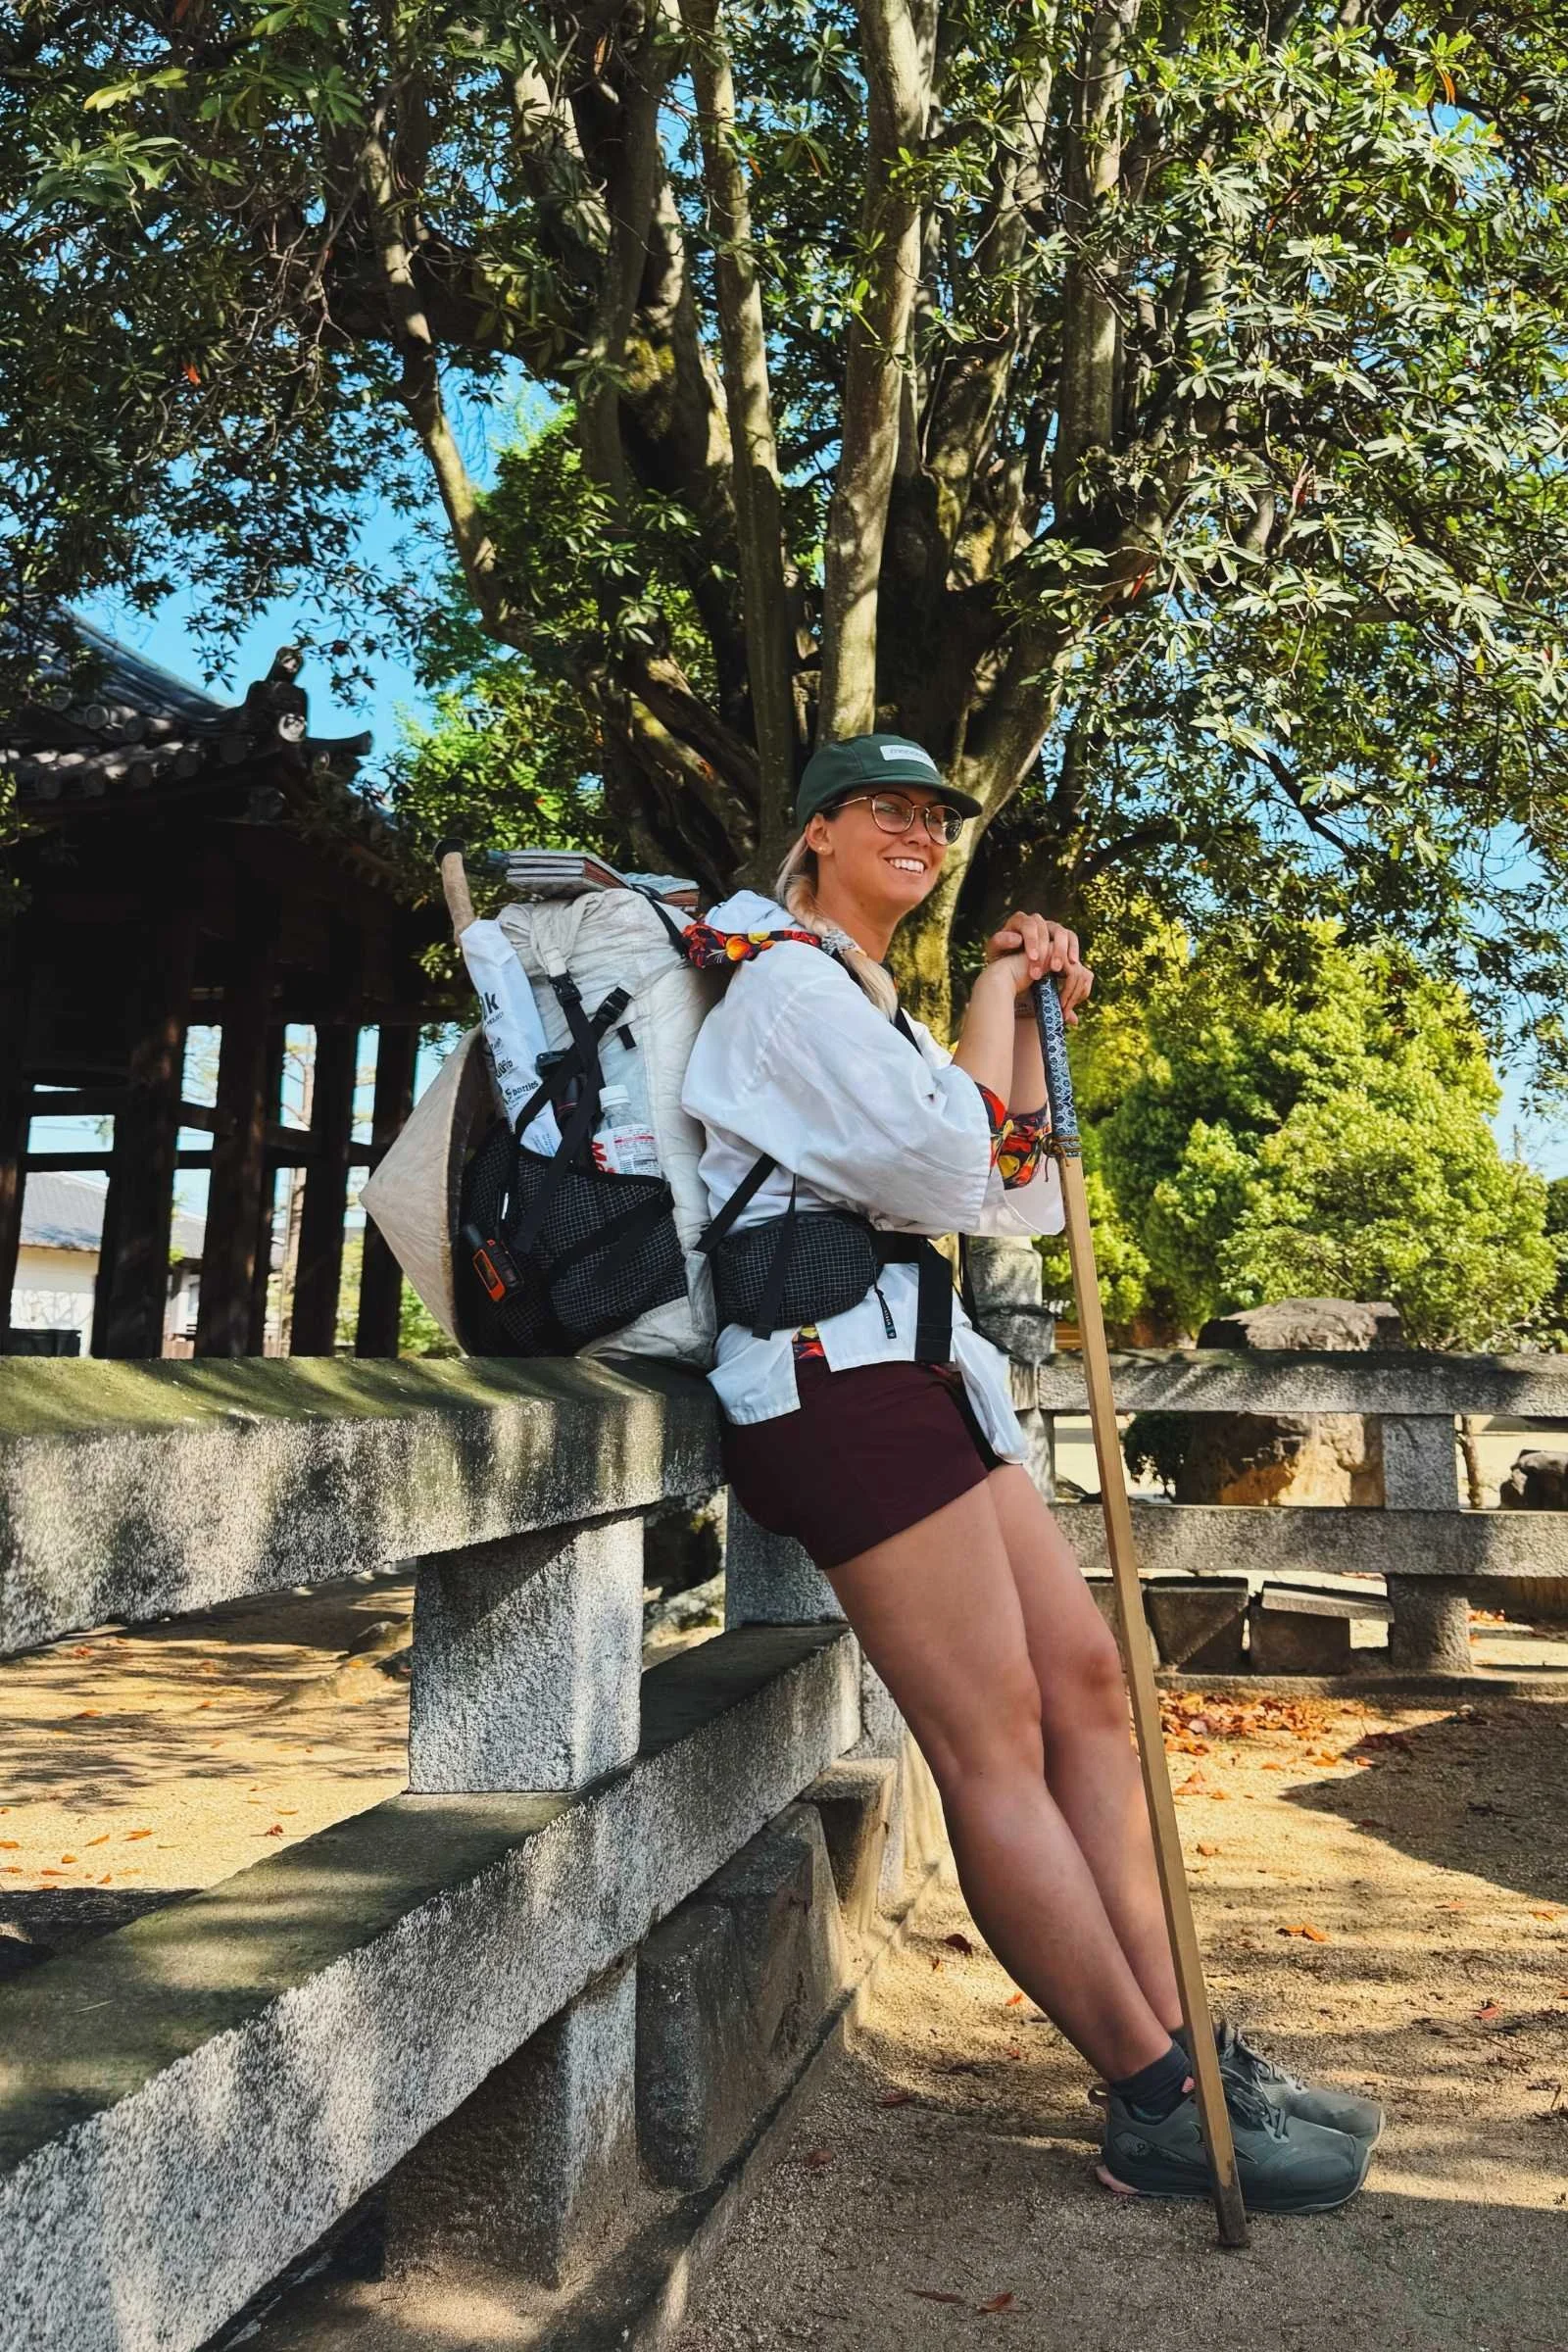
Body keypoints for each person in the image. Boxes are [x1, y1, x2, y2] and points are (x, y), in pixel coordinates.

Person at [680, 732, 1382, 2212]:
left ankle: (1185, 2031)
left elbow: (1004, 1192)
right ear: (810, 834)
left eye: (935, 813)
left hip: (920, 1373)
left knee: (1089, 1684)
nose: (918, 829)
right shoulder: (786, 985)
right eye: (884, 806)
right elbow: (955, 1174)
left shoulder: (875, 1006)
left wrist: (995, 1005)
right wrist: (999, 1010)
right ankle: (1150, 2097)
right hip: (831, 1384)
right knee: (993, 1737)